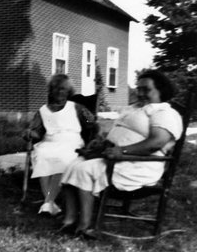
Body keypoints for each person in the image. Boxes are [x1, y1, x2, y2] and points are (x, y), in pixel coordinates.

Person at [60, 70, 183, 239]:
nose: (140, 93)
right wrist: (102, 142)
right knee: (72, 165)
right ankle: (69, 220)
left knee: (84, 169)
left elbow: (156, 142)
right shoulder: (135, 108)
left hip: (139, 165)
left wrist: (122, 150)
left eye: (146, 90)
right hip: (116, 159)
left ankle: (84, 227)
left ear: (161, 90)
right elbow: (119, 132)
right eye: (138, 88)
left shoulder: (164, 113)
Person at [26, 74, 97, 215]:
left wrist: (93, 127)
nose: (60, 92)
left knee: (63, 157)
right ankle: (50, 203)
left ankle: (47, 202)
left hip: (72, 142)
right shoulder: (42, 111)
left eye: (63, 89)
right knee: (41, 156)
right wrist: (29, 133)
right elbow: (37, 133)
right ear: (51, 91)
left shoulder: (77, 107)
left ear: (69, 91)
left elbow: (92, 123)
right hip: (49, 142)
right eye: (56, 88)